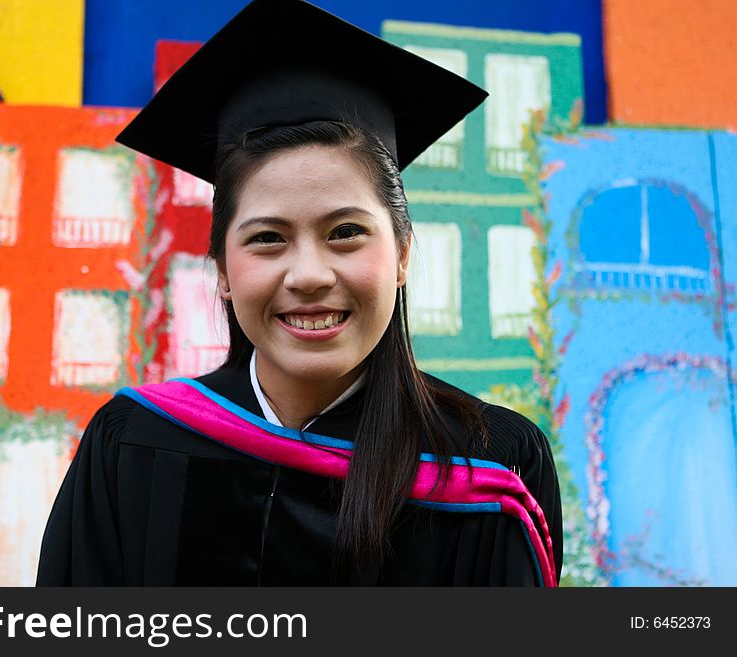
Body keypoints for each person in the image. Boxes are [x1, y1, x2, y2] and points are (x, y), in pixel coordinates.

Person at [36, 0, 562, 586]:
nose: (308, 274)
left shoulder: (491, 468)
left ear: (404, 254)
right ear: (223, 272)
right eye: (267, 238)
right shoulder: (132, 444)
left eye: (345, 233)